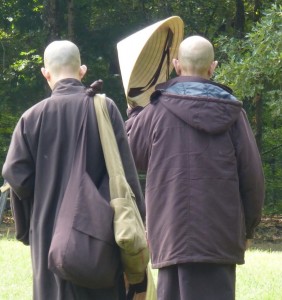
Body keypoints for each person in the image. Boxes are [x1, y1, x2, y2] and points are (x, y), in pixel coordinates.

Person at [122, 35, 265, 300]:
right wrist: (249, 228)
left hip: (170, 233)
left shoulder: (155, 110)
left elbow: (128, 155)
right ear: (213, 67)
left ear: (177, 65)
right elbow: (252, 178)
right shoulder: (234, 114)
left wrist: (135, 110)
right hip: (220, 236)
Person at [2, 40, 145, 300]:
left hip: (49, 244)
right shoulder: (105, 109)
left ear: (46, 74)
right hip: (100, 241)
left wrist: (28, 231)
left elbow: (17, 178)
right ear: (82, 71)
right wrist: (137, 228)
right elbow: (126, 175)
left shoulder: (31, 118)